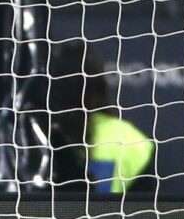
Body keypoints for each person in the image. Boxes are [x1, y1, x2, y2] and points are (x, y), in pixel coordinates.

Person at [47, 40, 155, 194]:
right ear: (99, 85)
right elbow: (144, 213)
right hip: (117, 218)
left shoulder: (33, 138)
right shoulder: (130, 140)